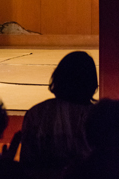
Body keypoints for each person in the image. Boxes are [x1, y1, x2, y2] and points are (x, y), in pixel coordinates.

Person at [20, 51, 98, 179]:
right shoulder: (99, 116)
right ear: (92, 82)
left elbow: (27, 163)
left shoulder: (37, 113)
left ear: (58, 78)